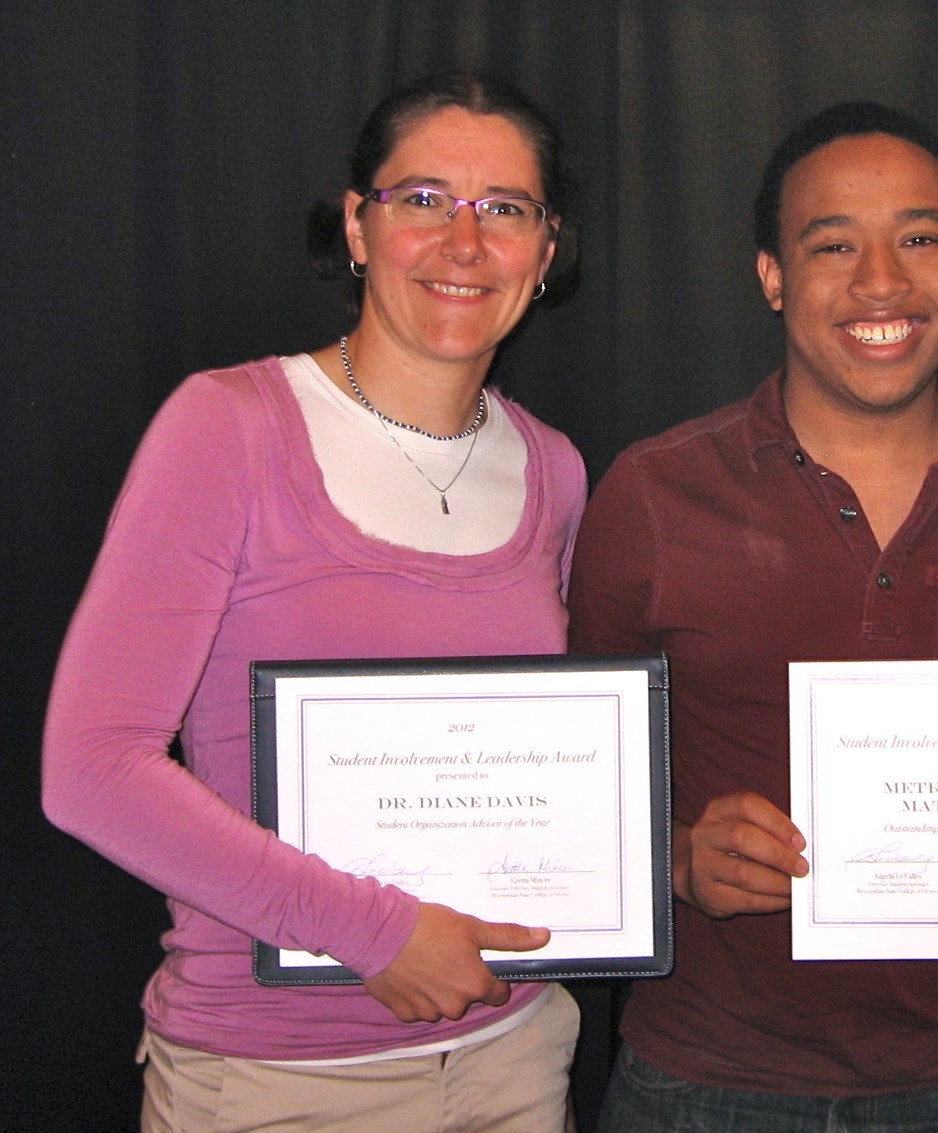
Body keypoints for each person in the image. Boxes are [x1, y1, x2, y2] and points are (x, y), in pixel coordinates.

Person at [568, 101, 938, 1131]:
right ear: (772, 274)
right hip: (700, 1079)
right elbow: (569, 797)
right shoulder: (650, 495)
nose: (881, 280)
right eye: (833, 244)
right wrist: (677, 855)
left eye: (917, 238)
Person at [42, 73, 587, 1131]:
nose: (462, 242)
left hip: (513, 1058)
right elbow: (90, 769)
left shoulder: (555, 470)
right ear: (357, 223)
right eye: (423, 199)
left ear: (546, 248)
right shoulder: (228, 428)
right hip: (273, 1083)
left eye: (504, 209)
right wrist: (373, 930)